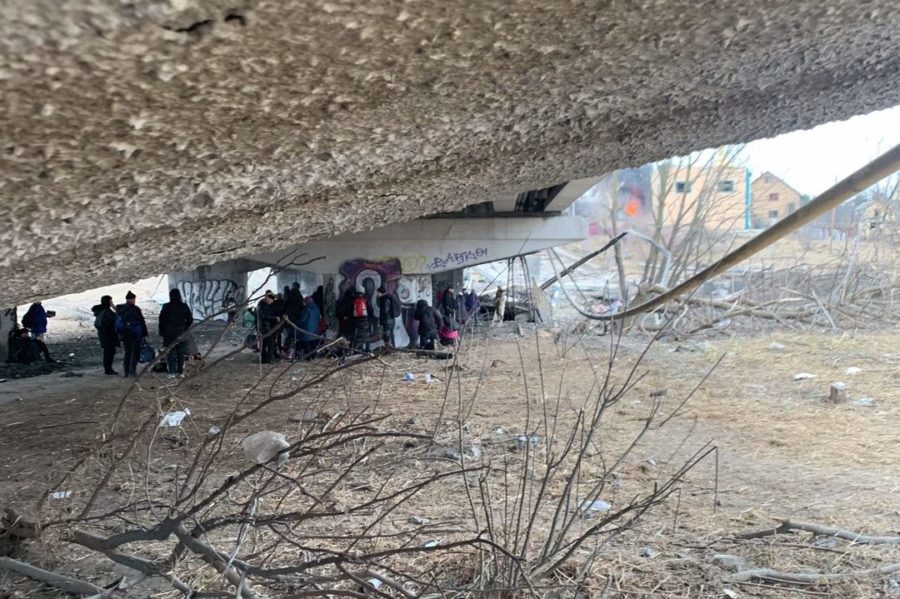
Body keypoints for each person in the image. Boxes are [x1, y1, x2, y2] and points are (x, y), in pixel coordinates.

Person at [159, 288, 194, 378]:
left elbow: (161, 320)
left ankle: (171, 372)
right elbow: (190, 319)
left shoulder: (166, 306)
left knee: (170, 352)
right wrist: (184, 328)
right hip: (180, 332)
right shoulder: (184, 306)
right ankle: (180, 372)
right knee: (180, 353)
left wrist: (162, 332)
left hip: (169, 333)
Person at [116, 291, 148, 377]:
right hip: (135, 335)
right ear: (133, 299)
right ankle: (132, 371)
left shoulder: (119, 309)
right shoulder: (135, 309)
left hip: (124, 335)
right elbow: (141, 322)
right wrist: (144, 334)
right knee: (134, 353)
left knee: (127, 353)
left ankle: (126, 371)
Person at [91, 295, 119, 375]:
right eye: (111, 301)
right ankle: (108, 369)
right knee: (109, 352)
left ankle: (107, 369)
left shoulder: (100, 311)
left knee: (107, 352)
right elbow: (115, 318)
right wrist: (114, 308)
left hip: (103, 334)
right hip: (109, 335)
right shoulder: (107, 311)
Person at [256, 290, 280, 364]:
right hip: (265, 328)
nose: (272, 302)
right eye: (271, 300)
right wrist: (275, 317)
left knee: (266, 344)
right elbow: (264, 316)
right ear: (267, 298)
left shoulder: (262, 304)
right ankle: (267, 359)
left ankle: (266, 359)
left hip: (264, 327)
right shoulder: (262, 305)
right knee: (269, 343)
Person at [283, 282, 304, 359]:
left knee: (289, 335)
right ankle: (293, 352)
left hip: (288, 318)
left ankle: (287, 351)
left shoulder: (288, 294)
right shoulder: (300, 296)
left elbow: (284, 305)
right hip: (297, 319)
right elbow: (302, 307)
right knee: (295, 336)